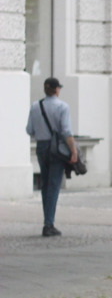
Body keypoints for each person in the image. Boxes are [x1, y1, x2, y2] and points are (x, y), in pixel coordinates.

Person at [26, 77, 78, 237]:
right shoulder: (62, 106)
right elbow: (66, 132)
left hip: (41, 147)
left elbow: (29, 130)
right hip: (56, 149)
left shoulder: (36, 106)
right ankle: (49, 223)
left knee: (46, 185)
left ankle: (47, 220)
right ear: (57, 90)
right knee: (54, 185)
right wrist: (74, 151)